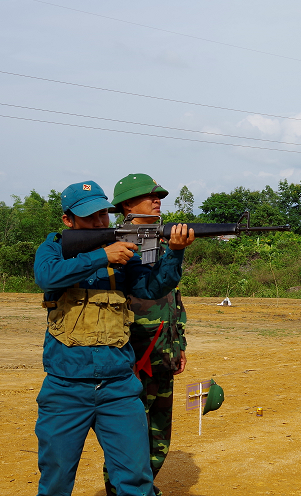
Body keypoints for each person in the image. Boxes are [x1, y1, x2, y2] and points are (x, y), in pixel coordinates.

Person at [33, 180, 194, 496]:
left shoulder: (125, 254)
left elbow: (151, 288)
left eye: (102, 216)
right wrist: (102, 256)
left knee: (135, 480)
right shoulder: (53, 248)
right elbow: (47, 276)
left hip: (119, 387)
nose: (98, 223)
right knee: (55, 484)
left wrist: (174, 253)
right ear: (68, 220)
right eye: (89, 218)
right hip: (66, 388)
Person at [100, 173, 189, 496]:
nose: (158, 200)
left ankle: (143, 488)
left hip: (163, 351)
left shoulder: (162, 240)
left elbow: (171, 300)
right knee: (127, 434)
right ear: (127, 204)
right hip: (132, 355)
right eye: (150, 196)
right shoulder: (111, 245)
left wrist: (178, 344)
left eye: (159, 196)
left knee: (158, 435)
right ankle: (120, 489)